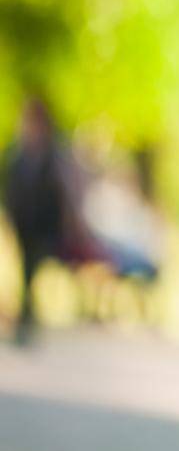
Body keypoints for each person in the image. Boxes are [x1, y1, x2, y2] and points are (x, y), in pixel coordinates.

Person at [2, 99, 87, 345]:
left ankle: (27, 318)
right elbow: (11, 189)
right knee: (27, 270)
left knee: (32, 270)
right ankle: (26, 318)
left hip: (44, 226)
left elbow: (63, 193)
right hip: (24, 224)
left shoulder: (52, 156)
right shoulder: (17, 154)